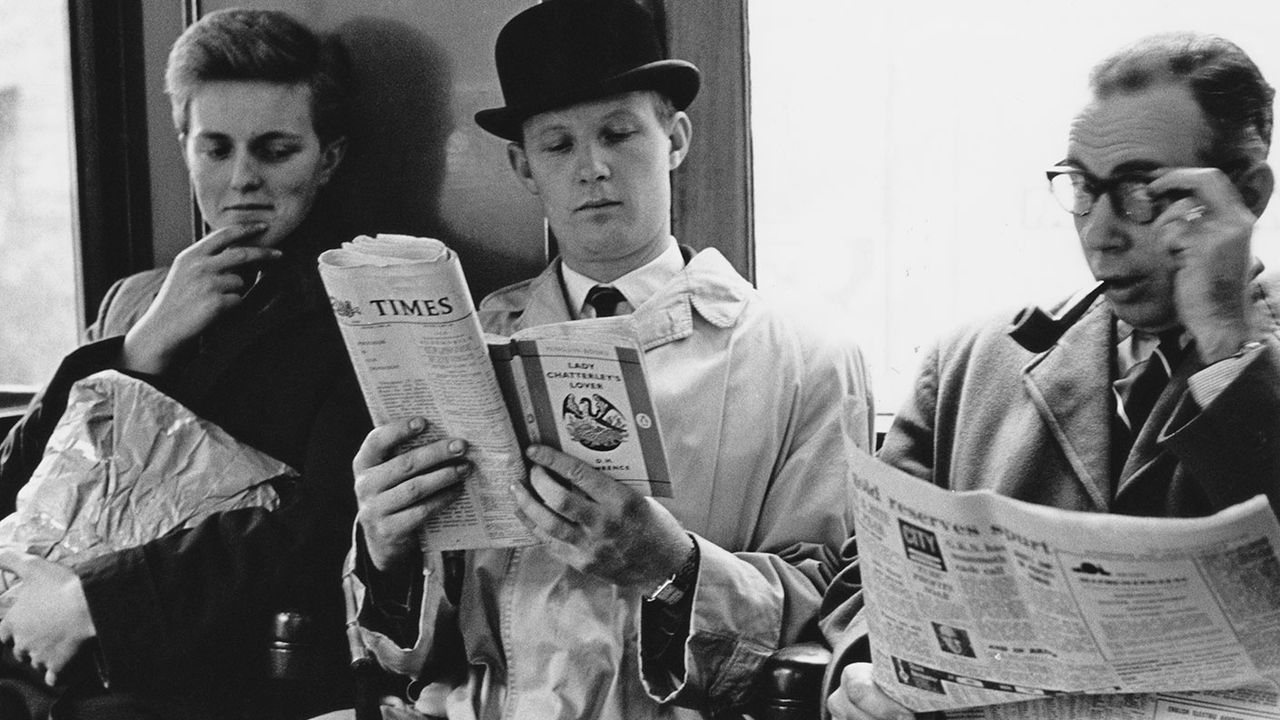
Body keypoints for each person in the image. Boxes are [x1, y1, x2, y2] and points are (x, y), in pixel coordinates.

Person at [347, 0, 874, 717]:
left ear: (676, 138)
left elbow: (827, 615)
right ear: (522, 166)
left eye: (620, 133)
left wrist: (674, 568)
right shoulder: (461, 346)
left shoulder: (804, 357)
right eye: (557, 145)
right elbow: (397, 654)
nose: (592, 167)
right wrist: (384, 551)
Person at [823, 31, 1280, 720]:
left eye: (1139, 191)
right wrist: (862, 677)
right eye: (1083, 188)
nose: (1100, 231)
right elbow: (868, 586)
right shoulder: (967, 365)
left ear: (1245, 195)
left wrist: (1228, 343)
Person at [0, 9, 369, 719]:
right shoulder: (135, 301)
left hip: (208, 674)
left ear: (328, 158)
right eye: (215, 149)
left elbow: (326, 526)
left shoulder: (363, 313)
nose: (241, 180)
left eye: (275, 150)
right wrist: (137, 354)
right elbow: (17, 485)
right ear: (184, 146)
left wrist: (93, 604)